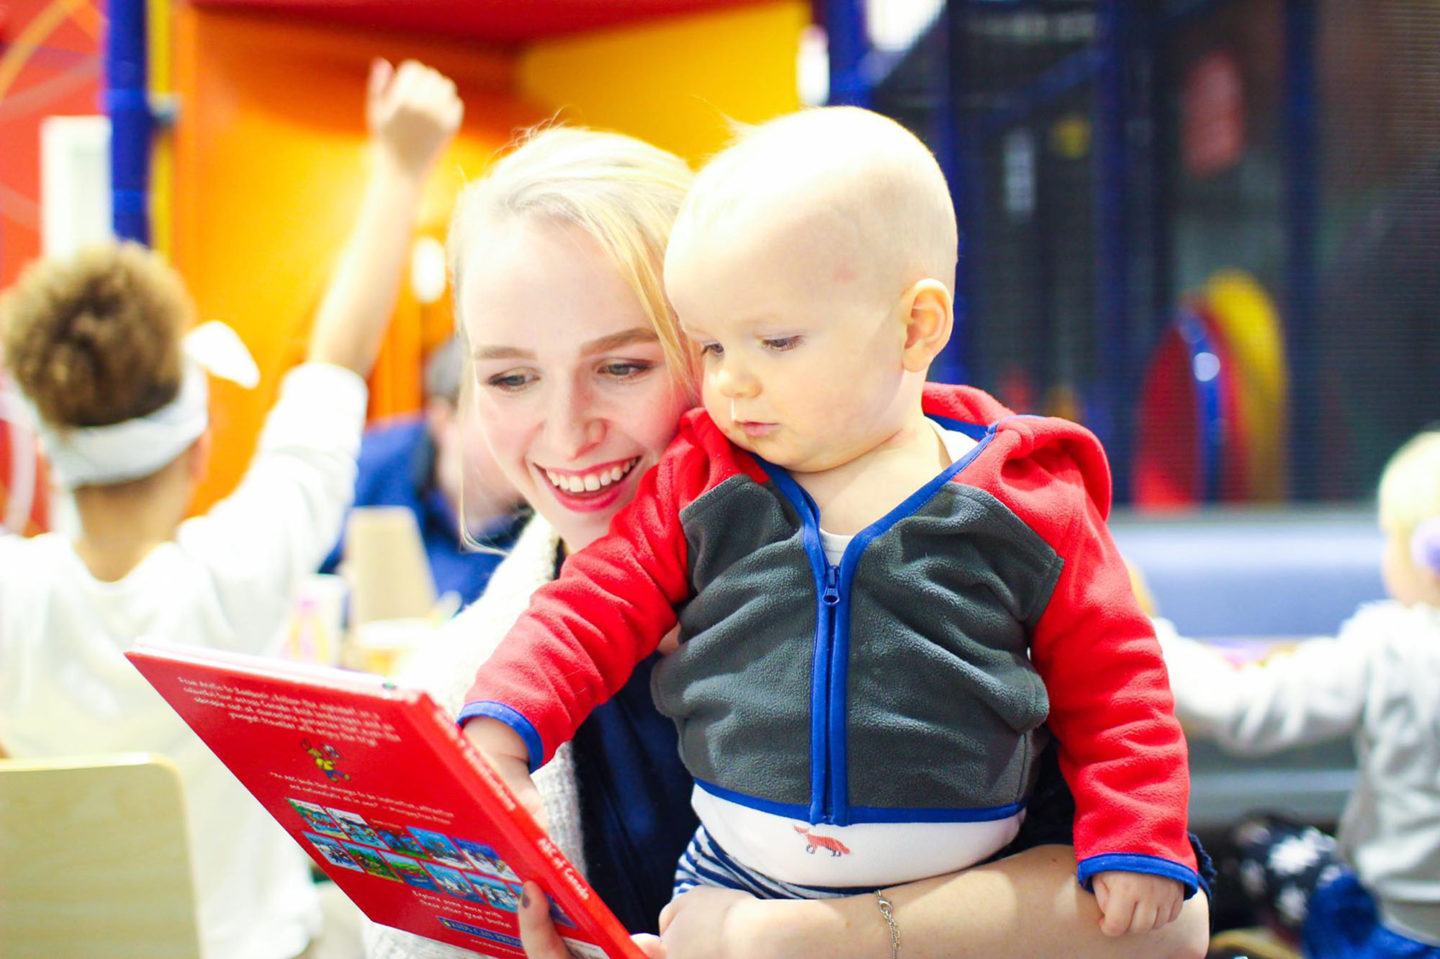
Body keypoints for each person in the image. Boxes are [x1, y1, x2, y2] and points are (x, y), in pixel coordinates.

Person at [362, 113, 1208, 959]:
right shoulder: (468, 677)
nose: (566, 429)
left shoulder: (981, 522)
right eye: (510, 376)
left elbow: (1165, 919)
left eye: (625, 365)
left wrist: (831, 936)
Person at [0, 58, 461, 959]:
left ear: (51, 450)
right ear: (198, 445)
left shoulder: (12, 596)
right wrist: (400, 170)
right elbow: (336, 364)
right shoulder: (234, 575)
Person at [1158, 428, 1440, 958]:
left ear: (1428, 553)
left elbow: (1241, 710)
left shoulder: (1389, 646)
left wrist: (1146, 632)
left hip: (1390, 938)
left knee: (1258, 836)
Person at [321, 333, 526, 607]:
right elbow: (300, 579)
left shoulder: (557, 509)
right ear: (444, 419)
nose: (527, 438)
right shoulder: (371, 465)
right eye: (503, 419)